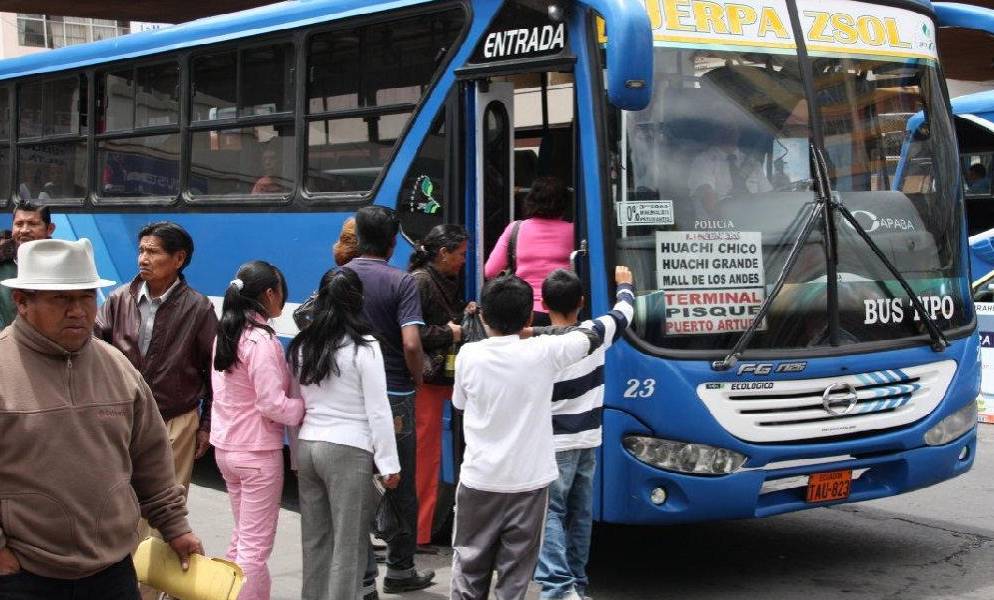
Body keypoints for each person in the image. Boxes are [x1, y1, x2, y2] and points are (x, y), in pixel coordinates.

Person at [0, 238, 203, 599]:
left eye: (86, 297)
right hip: (23, 577)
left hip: (113, 573)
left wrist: (175, 527)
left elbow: (151, 458)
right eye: (61, 299)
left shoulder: (117, 367)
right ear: (22, 302)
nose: (78, 310)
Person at [449, 274, 608, 600]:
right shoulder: (544, 351)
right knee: (515, 577)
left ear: (483, 316)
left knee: (469, 570)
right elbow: (595, 334)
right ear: (527, 317)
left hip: (480, 482)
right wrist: (624, 298)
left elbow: (459, 404)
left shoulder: (469, 355)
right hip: (529, 485)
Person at [289, 268, 401, 600]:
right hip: (349, 450)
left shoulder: (303, 344)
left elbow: (299, 402)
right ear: (358, 302)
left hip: (309, 445)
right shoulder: (364, 348)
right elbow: (378, 410)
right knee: (348, 545)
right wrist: (389, 463)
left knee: (315, 540)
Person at [95, 222, 218, 515]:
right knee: (119, 504)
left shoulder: (198, 308)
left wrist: (206, 425)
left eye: (153, 252)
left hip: (175, 420)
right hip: (121, 415)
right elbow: (94, 352)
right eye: (141, 251)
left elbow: (214, 372)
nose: (143, 259)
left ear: (179, 259)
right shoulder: (118, 299)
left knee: (165, 507)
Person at [345, 205, 434, 597]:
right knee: (400, 484)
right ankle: (399, 569)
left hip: (349, 394)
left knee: (357, 485)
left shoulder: (340, 277)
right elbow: (412, 342)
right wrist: (417, 374)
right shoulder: (402, 282)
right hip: (395, 394)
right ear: (394, 242)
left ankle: (364, 576)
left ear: (358, 237)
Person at [532, 268, 635, 600]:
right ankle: (577, 583)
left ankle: (559, 589)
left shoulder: (539, 344)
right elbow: (625, 312)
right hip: (589, 440)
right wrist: (624, 284)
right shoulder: (596, 331)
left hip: (553, 443)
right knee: (580, 515)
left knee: (550, 514)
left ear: (543, 302)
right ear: (581, 302)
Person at [211, 261, 305, 600]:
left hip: (226, 449)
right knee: (254, 550)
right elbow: (272, 404)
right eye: (280, 291)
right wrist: (304, 407)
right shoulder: (261, 341)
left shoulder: (226, 333)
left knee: (241, 540)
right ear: (269, 293)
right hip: (256, 455)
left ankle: (226, 593)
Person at [408, 224, 469, 549]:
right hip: (429, 380)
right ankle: (417, 534)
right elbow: (412, 334)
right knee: (425, 458)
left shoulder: (443, 279)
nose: (463, 261)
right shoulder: (420, 282)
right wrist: (452, 333)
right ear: (443, 253)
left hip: (445, 377)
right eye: (460, 254)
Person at [484, 177, 574, 326]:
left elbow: (490, 271)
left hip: (524, 314)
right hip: (563, 313)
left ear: (530, 200)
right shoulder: (574, 231)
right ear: (564, 203)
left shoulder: (515, 229)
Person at [687, 122, 772, 219]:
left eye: (733, 127)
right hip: (720, 228)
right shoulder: (703, 161)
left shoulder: (753, 164)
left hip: (757, 226)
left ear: (739, 132)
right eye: (725, 127)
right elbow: (707, 195)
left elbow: (768, 197)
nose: (730, 131)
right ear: (716, 132)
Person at [0, 201, 56, 329]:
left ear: (50, 229)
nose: (24, 230)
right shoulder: (3, 266)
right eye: (19, 224)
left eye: (32, 224)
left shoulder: (62, 264)